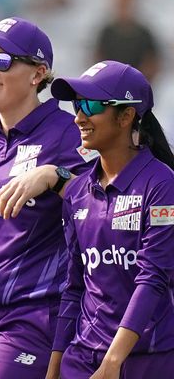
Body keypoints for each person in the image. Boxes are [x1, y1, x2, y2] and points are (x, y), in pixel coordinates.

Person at [0, 17, 97, 378]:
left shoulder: (69, 132)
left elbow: (107, 209)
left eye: (2, 61)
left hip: (36, 311)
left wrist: (55, 176)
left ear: (38, 74)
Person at [36, 61, 174, 378]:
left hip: (147, 360)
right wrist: (55, 364)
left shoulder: (162, 184)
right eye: (76, 104)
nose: (79, 116)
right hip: (82, 358)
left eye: (91, 105)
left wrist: (113, 362)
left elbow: (153, 278)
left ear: (126, 116)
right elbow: (74, 286)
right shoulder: (77, 191)